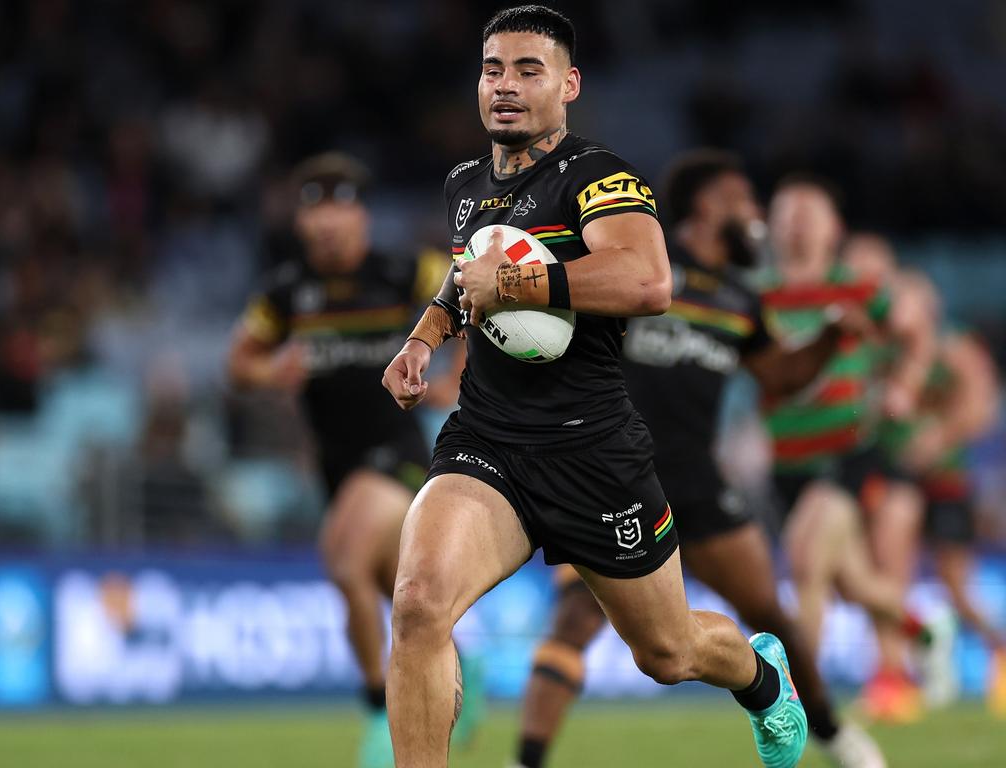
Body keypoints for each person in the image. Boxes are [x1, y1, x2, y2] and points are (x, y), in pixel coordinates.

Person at [382, 8, 807, 768]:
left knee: (669, 654)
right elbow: (465, 274)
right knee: (417, 606)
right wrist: (424, 339)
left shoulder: (598, 179)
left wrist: (513, 282)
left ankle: (761, 676)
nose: (506, 86)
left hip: (593, 452)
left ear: (569, 84)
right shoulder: (464, 184)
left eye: (529, 70)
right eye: (493, 69)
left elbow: (648, 281)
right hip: (488, 443)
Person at [510, 150, 886, 768]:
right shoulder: (639, 270)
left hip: (697, 481)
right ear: (710, 206)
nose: (756, 216)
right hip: (613, 479)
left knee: (771, 616)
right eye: (745, 202)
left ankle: (832, 736)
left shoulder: (741, 299)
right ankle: (523, 762)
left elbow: (782, 375)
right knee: (574, 621)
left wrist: (830, 334)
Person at [228, 152, 469, 768]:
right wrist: (269, 368)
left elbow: (474, 294)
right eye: (316, 211)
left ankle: (376, 715)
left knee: (342, 557)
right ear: (303, 222)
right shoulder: (285, 292)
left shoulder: (401, 270)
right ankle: (466, 670)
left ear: (361, 215)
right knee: (399, 593)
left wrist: (460, 377)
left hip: (397, 451)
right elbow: (239, 363)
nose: (328, 223)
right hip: (335, 464)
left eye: (340, 207)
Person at [761, 180, 936, 722]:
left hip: (846, 452)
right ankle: (925, 627)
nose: (797, 222)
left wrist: (905, 384)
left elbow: (916, 331)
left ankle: (801, 702)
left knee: (806, 560)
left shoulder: (858, 287)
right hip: (785, 461)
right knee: (849, 582)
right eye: (787, 211)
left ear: (833, 226)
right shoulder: (760, 294)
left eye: (810, 211)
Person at [845, 237, 1006, 710]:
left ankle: (997, 649)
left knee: (955, 583)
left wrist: (939, 438)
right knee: (887, 568)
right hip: (899, 476)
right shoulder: (878, 352)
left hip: (947, 478)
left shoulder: (955, 348)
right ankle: (893, 677)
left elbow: (980, 407)